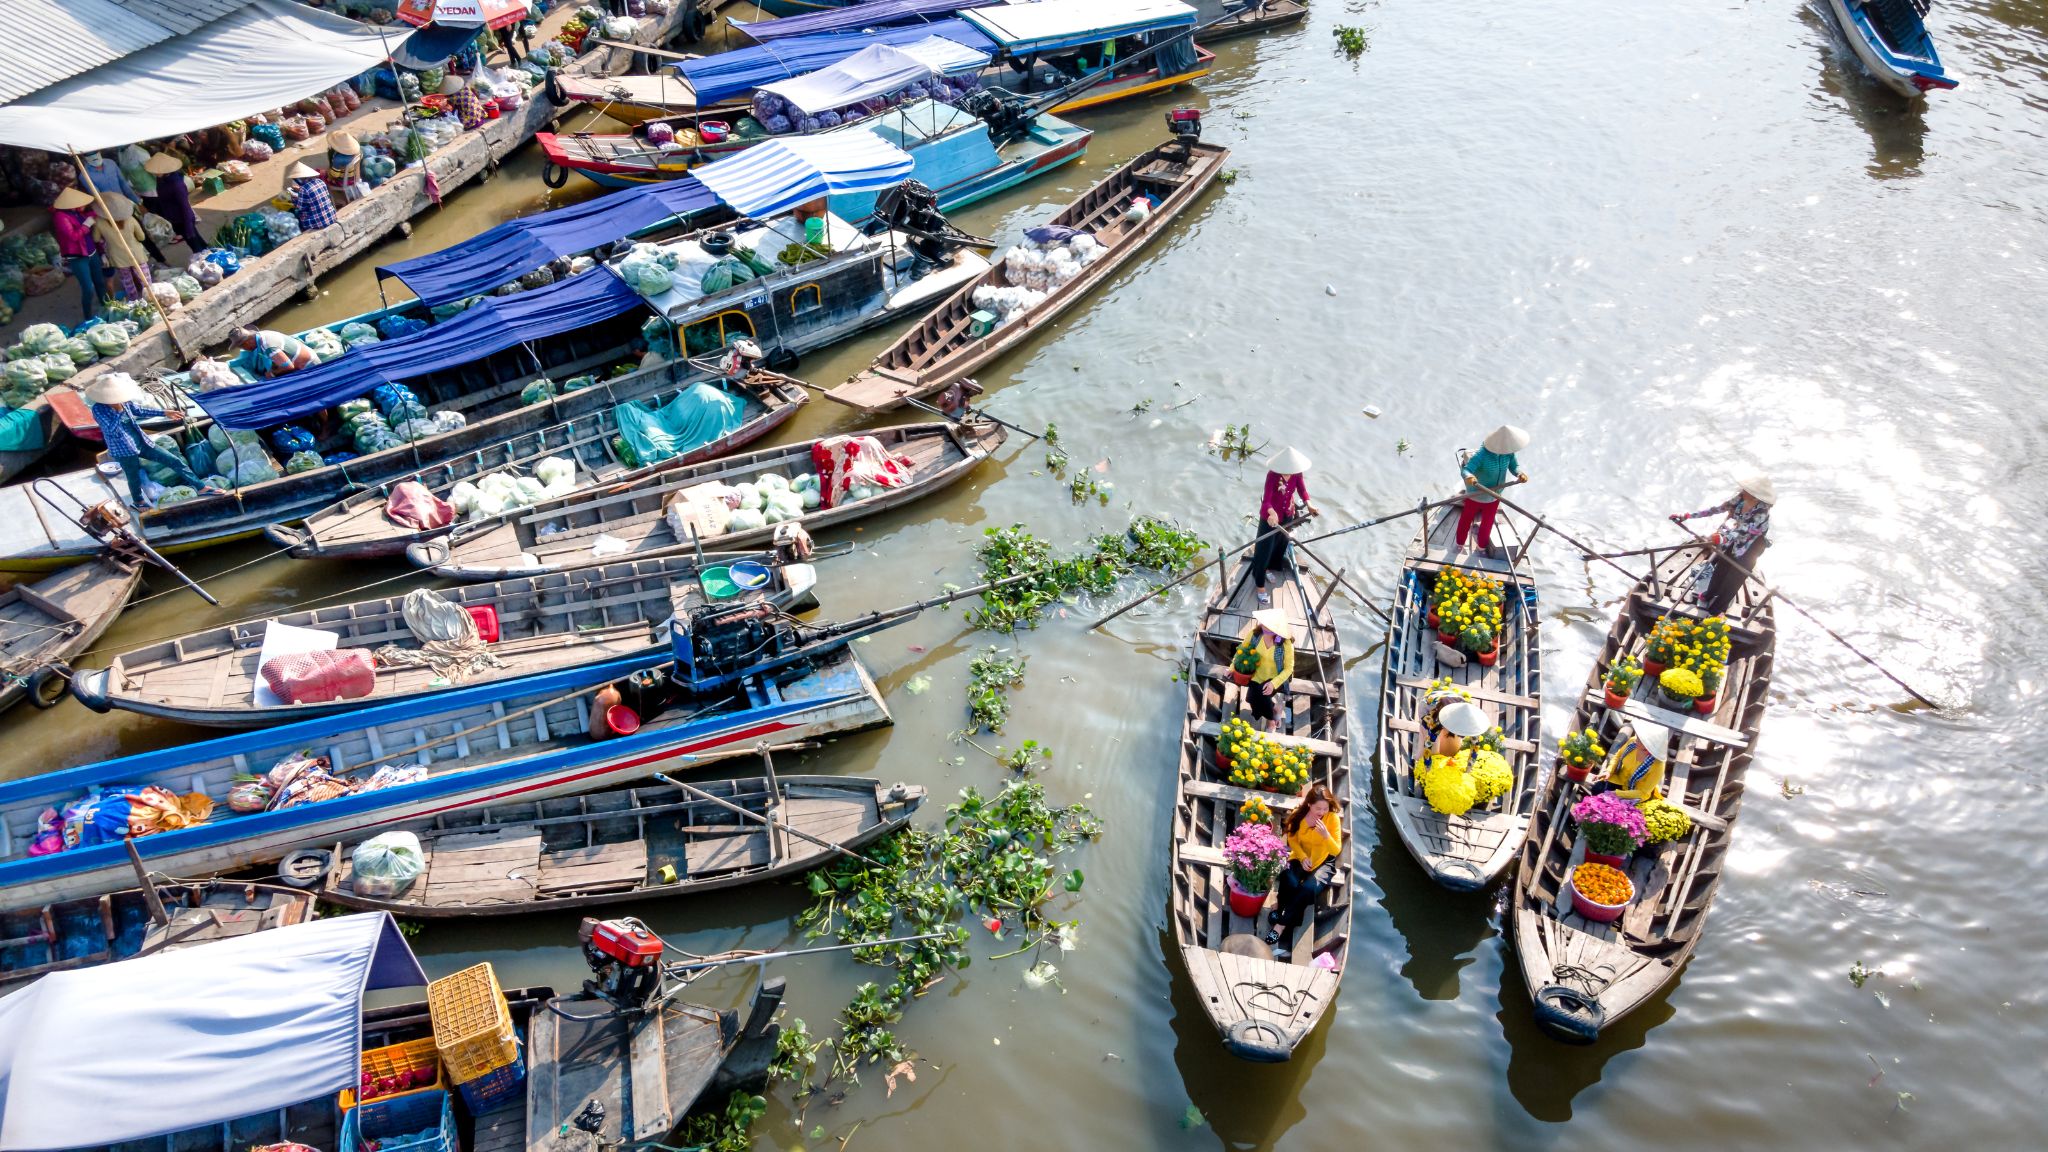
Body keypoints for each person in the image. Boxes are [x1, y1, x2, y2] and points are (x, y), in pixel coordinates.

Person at [82, 374, 220, 510]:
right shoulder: (98, 410)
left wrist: (164, 413)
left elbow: (140, 410)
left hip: (142, 442)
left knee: (174, 460)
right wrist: (119, 412)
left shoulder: (124, 402)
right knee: (133, 476)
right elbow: (110, 429)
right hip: (123, 449)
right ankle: (138, 501)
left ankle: (201, 487)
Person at [1671, 474, 1774, 614]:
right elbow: (1715, 510)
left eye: (1747, 490)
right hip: (1734, 538)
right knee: (1722, 566)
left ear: (1755, 496)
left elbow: (1742, 531)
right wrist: (1687, 516)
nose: (1742, 491)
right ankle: (1709, 594)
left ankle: (1718, 608)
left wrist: (1722, 539)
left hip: (1752, 546)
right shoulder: (1740, 499)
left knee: (1735, 577)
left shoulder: (1762, 513)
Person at [1264, 783, 1342, 960]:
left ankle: (1281, 925)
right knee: (1288, 879)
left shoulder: (1332, 819)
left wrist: (1326, 836)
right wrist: (1301, 857)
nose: (1322, 811)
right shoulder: (1299, 815)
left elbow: (1336, 850)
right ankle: (1281, 906)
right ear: (1309, 805)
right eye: (1318, 808)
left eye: (1325, 808)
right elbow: (1292, 838)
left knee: (1308, 889)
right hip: (1303, 857)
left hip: (1323, 861)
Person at [1252, 445, 1314, 607]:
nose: (1289, 471)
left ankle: (1268, 569)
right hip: (1271, 519)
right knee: (1264, 549)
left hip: (1287, 516)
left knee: (1280, 545)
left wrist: (1309, 504)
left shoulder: (1296, 474)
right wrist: (1272, 513)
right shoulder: (1272, 476)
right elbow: (1266, 501)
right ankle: (1259, 584)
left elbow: (1302, 490)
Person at [1458, 424, 1530, 555]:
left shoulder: (1508, 453)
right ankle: (1459, 544)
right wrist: (1470, 477)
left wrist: (1520, 473)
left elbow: (1514, 466)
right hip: (1476, 494)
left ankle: (1481, 547)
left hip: (1494, 496)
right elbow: (1466, 469)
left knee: (1488, 523)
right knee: (1466, 519)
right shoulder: (1482, 454)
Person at [50, 187, 105, 323]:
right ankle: (88, 317)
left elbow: (89, 217)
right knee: (88, 288)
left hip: (92, 253)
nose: (83, 206)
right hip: (78, 257)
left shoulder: (76, 213)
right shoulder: (60, 217)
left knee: (100, 282)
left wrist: (98, 211)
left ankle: (107, 307)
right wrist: (86, 226)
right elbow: (73, 236)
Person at [1236, 608, 1295, 733]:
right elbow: (1241, 650)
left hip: (1276, 677)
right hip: (1256, 674)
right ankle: (1275, 710)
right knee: (1251, 699)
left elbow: (1289, 668)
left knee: (1262, 697)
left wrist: (1273, 683)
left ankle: (1271, 721)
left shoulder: (1286, 644)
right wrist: (1231, 668)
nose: (1264, 626)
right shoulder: (1255, 635)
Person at [144, 152, 210, 252]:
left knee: (194, 243)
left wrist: (188, 228)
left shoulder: (177, 185)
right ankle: (208, 250)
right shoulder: (161, 179)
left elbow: (185, 206)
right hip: (174, 218)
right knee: (195, 240)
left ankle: (205, 256)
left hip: (183, 218)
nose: (154, 173)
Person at [92, 195, 151, 300]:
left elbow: (96, 239)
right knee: (146, 281)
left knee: (127, 282)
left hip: (118, 258)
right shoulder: (130, 219)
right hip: (137, 254)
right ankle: (151, 299)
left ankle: (134, 301)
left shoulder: (99, 222)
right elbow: (141, 237)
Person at [1596, 722, 1669, 801]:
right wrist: (1609, 771)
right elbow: (1618, 756)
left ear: (1650, 746)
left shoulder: (1658, 765)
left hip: (1635, 794)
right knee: (1596, 789)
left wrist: (1618, 794)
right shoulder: (1633, 742)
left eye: (1641, 739)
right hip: (1618, 780)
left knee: (1611, 802)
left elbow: (1644, 793)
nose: (1636, 739)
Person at [231, 327, 318, 378]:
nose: (244, 349)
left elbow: (289, 367)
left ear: (247, 342)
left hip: (309, 365)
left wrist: (271, 373)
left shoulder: (268, 346)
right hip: (300, 360)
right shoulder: (262, 334)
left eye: (241, 347)